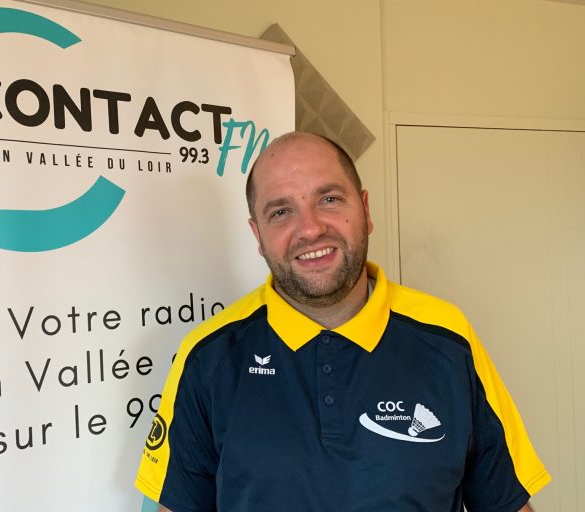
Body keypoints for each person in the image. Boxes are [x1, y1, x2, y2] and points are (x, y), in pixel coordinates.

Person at [134, 132, 550, 511]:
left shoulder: (448, 338)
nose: (310, 229)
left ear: (365, 210)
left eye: (329, 199)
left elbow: (507, 503)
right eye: (281, 211)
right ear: (258, 235)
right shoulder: (207, 356)